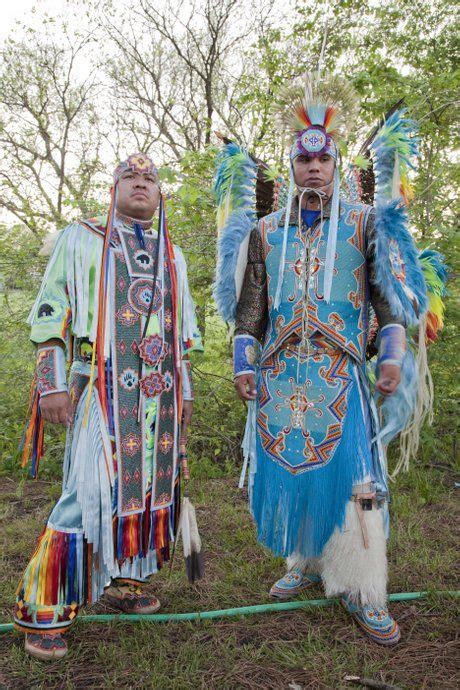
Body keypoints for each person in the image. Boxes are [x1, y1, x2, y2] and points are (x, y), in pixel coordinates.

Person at [226, 75, 433, 646]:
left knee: (357, 482)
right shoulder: (267, 233)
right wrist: (245, 364)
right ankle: (306, 561)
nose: (313, 167)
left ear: (336, 164)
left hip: (341, 374)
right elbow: (250, 312)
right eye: (303, 159)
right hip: (282, 373)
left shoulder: (366, 223)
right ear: (291, 167)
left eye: (324, 158)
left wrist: (390, 359)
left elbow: (390, 302)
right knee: (295, 471)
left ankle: (366, 589)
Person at [15, 153, 203, 660]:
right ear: (113, 188)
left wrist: (184, 393)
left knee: (146, 491)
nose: (141, 183)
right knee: (88, 490)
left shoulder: (173, 255)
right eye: (131, 177)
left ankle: (123, 581)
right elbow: (52, 309)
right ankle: (45, 606)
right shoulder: (82, 238)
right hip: (101, 384)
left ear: (161, 194)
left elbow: (183, 333)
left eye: (151, 178)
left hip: (159, 393)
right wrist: (51, 382)